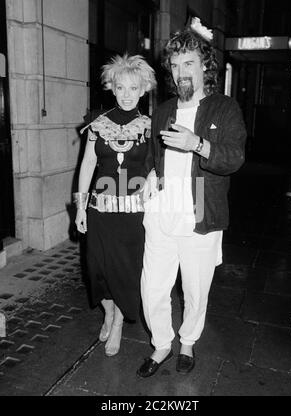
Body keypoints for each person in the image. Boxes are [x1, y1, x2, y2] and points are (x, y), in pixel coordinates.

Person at [137, 18, 247, 377]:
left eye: (188, 63)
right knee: (152, 286)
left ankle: (187, 342)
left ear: (204, 66)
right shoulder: (164, 110)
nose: (180, 71)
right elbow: (157, 154)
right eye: (174, 64)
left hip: (201, 211)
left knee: (195, 288)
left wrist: (197, 143)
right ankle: (161, 344)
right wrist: (153, 174)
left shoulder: (224, 108)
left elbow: (234, 159)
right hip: (162, 213)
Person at [74, 54, 156, 357]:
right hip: (100, 210)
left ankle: (118, 321)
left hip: (133, 213)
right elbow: (87, 166)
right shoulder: (98, 124)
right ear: (112, 87)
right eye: (120, 87)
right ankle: (108, 310)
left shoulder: (150, 126)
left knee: (125, 269)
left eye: (132, 88)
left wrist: (151, 174)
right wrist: (81, 207)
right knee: (96, 268)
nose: (126, 94)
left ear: (143, 89)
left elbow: (158, 164)